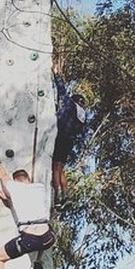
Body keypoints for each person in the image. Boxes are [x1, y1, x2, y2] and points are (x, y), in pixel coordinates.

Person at [52, 53, 87, 209]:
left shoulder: (70, 105)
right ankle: (66, 195)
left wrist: (56, 74)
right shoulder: (83, 115)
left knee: (55, 167)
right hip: (70, 141)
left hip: (60, 136)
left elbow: (62, 91)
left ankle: (58, 197)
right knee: (60, 167)